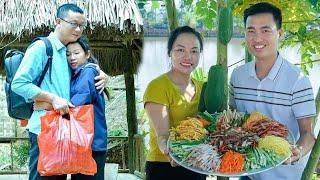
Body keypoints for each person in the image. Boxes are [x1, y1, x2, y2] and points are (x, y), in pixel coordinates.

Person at [11, 3, 107, 180]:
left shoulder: (67, 52)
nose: (78, 30)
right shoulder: (42, 48)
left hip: (66, 132)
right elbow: (19, 83)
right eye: (73, 24)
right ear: (58, 22)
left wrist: (100, 72)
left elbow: (81, 75)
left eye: (81, 25)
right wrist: (52, 98)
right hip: (45, 131)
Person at [229, 2, 316, 180]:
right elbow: (235, 119)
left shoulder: (298, 81)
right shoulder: (238, 76)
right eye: (251, 31)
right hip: (248, 171)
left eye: (265, 30)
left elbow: (308, 134)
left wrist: (296, 153)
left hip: (285, 174)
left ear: (280, 34)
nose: (257, 38)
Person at [143, 26, 206, 180]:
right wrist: (169, 151)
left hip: (196, 164)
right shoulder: (157, 87)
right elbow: (163, 135)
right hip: (164, 165)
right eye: (180, 50)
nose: (188, 57)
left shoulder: (203, 87)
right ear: (170, 52)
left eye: (194, 51)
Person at [66, 36, 107, 180]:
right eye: (68, 54)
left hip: (92, 144)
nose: (72, 57)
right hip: (84, 143)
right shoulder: (77, 75)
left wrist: (49, 103)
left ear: (87, 54)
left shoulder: (88, 72)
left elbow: (77, 103)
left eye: (76, 53)